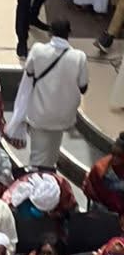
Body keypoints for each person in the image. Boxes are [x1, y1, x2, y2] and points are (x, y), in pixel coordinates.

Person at [5, 19, 89, 168]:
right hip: (64, 116)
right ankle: (50, 175)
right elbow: (83, 87)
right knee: (52, 153)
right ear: (69, 34)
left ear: (50, 32)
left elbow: (30, 71)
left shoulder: (38, 50)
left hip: (40, 113)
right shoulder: (79, 57)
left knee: (37, 156)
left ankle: (37, 180)